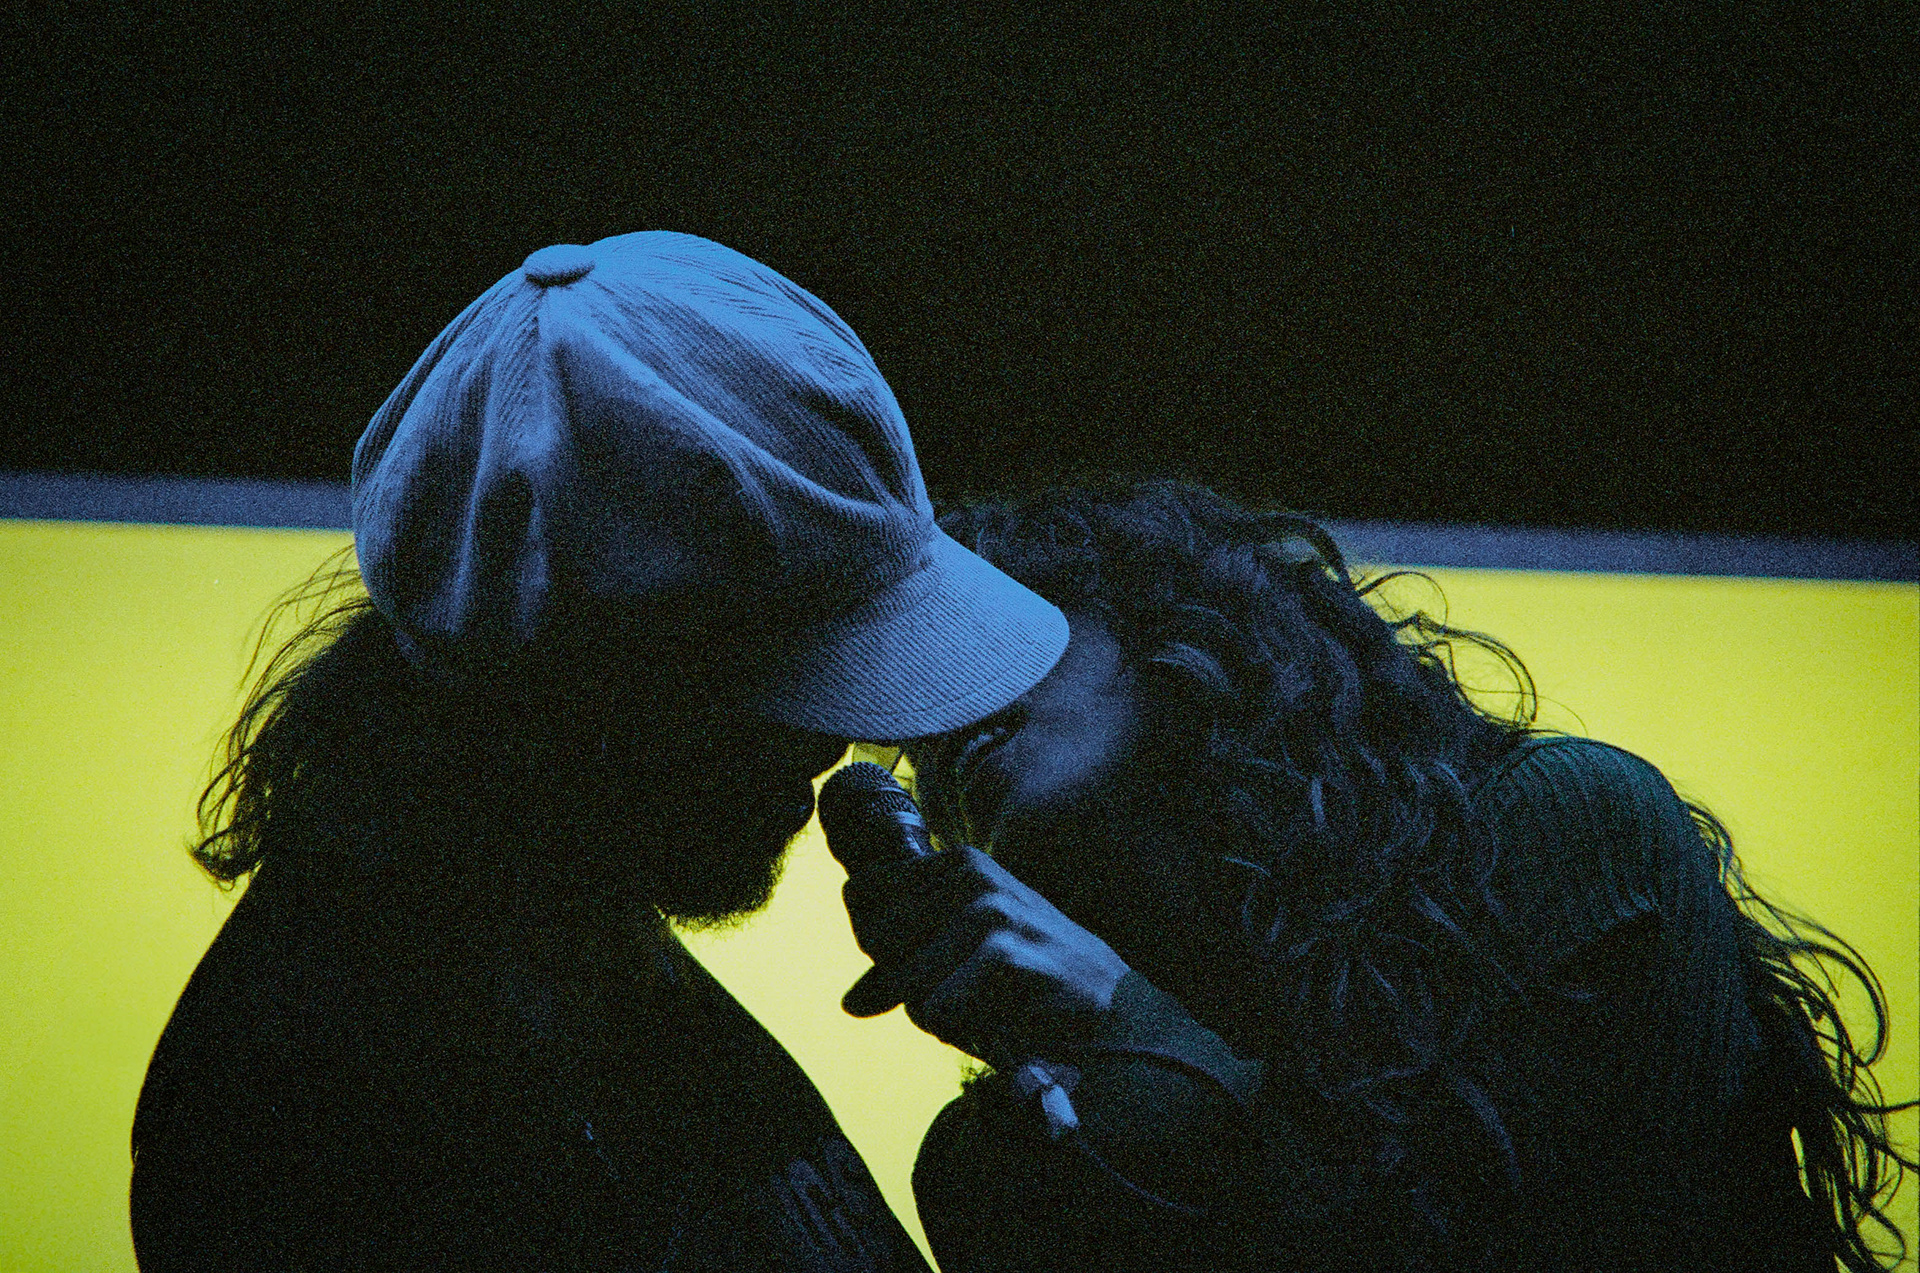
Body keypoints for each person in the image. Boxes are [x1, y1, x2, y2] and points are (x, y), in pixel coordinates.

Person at [128, 233, 1070, 1270]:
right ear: (583, 688)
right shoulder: (315, 1114)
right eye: (782, 690)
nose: (828, 747)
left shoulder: (549, 946)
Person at [838, 481, 1915, 1271]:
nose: (943, 699)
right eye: (916, 707)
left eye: (997, 615)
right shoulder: (1004, 1160)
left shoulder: (1563, 834)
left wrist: (1137, 1033)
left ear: (1180, 636)